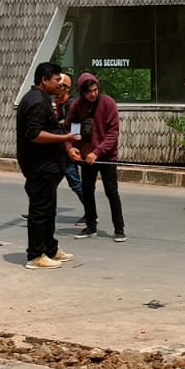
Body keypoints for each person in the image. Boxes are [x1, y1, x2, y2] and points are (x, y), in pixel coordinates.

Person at [17, 62, 81, 269]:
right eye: (56, 80)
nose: (59, 84)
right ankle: (35, 255)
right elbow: (34, 134)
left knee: (49, 209)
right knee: (40, 210)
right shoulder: (36, 101)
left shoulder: (41, 99)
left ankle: (50, 248)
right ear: (44, 80)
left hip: (49, 166)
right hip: (39, 166)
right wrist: (64, 137)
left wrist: (66, 145)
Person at [65, 73, 125, 242]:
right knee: (87, 190)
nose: (93, 94)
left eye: (95, 89)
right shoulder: (77, 106)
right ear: (82, 92)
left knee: (111, 191)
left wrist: (97, 152)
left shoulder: (108, 104)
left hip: (107, 156)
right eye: (89, 91)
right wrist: (71, 149)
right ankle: (90, 226)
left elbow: (113, 134)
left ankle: (119, 228)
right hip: (86, 157)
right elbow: (71, 130)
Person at [55, 73, 89, 223]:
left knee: (75, 183)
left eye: (60, 86)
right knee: (48, 182)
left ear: (66, 88)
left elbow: (74, 128)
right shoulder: (58, 104)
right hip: (58, 148)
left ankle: (91, 212)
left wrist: (71, 148)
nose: (57, 89)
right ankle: (40, 211)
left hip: (67, 150)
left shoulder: (70, 105)